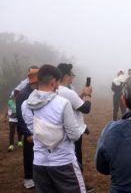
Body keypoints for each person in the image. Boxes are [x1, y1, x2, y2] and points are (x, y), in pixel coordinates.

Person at [22, 64, 86, 193]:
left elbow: (34, 132)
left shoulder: (25, 105)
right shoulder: (62, 103)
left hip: (39, 163)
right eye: (58, 82)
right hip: (64, 162)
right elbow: (74, 136)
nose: (58, 86)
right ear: (53, 82)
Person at [57, 63, 94, 192]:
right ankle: (79, 185)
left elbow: (71, 103)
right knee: (76, 159)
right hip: (74, 131)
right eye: (72, 74)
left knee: (65, 158)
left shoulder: (55, 90)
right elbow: (86, 109)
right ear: (66, 76)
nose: (73, 77)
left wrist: (81, 94)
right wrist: (88, 94)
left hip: (61, 131)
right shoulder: (68, 92)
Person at [16, 67, 39, 189]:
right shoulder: (23, 94)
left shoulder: (34, 92)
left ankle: (35, 176)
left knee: (36, 154)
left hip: (36, 129)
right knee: (29, 154)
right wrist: (27, 133)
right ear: (33, 82)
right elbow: (20, 116)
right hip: (28, 131)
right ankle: (28, 177)